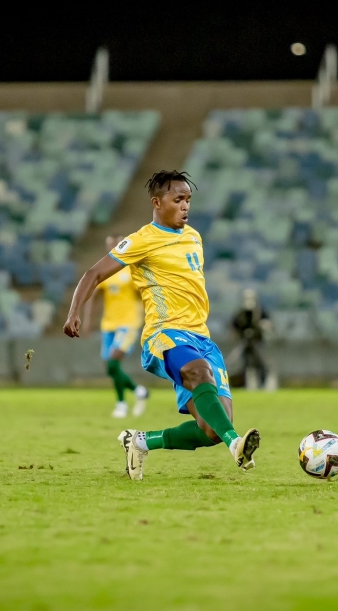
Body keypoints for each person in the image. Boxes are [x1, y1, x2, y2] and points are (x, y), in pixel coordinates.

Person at [63, 170, 261, 481]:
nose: (186, 206)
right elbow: (94, 274)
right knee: (200, 375)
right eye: (178, 199)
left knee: (210, 429)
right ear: (157, 203)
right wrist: (75, 310)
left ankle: (140, 441)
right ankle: (236, 445)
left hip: (202, 339)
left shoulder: (194, 236)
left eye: (188, 200)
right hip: (164, 333)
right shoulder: (142, 240)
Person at [82, 235, 149, 418]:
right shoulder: (105, 272)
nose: (113, 247)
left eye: (117, 244)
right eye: (110, 244)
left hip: (129, 324)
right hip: (108, 325)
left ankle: (121, 405)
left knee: (113, 361)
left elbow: (145, 295)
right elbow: (94, 297)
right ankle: (138, 391)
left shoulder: (133, 270)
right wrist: (88, 322)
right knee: (111, 368)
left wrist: (150, 319)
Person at [230, 288, 271, 388]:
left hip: (257, 342)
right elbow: (234, 327)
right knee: (243, 364)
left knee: (261, 363)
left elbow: (268, 324)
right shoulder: (240, 314)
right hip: (244, 342)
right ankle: (242, 384)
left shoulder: (260, 312)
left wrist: (263, 327)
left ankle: (263, 384)